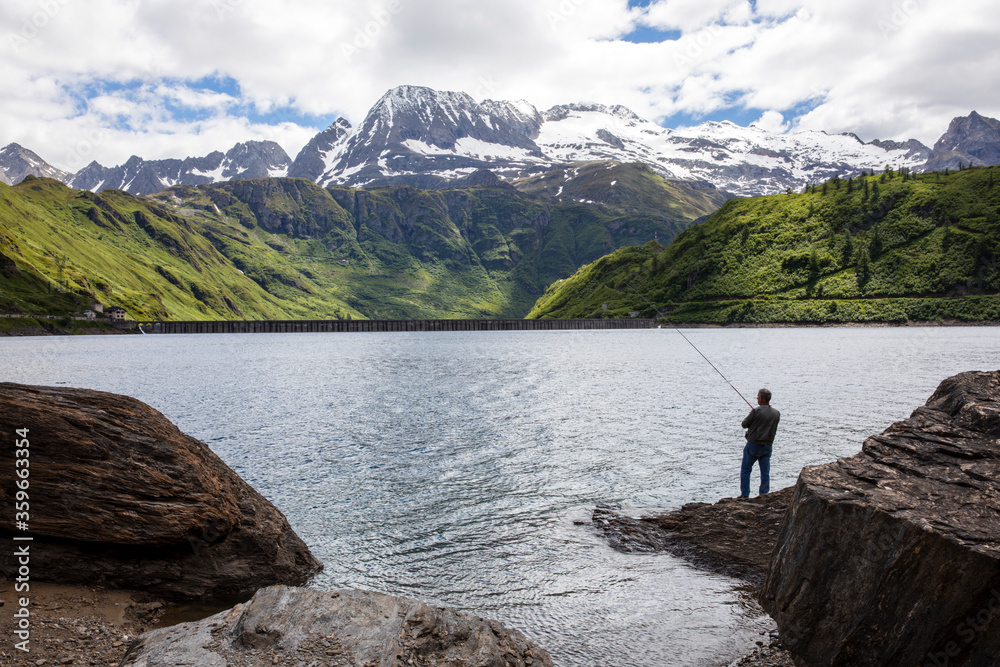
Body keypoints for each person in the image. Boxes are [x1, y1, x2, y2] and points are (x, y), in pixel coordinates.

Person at [740, 388, 780, 498]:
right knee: (765, 472)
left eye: (758, 397)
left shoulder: (756, 411)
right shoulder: (776, 413)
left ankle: (745, 495)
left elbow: (744, 424)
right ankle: (764, 494)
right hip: (767, 446)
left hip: (753, 446)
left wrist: (752, 415)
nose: (757, 399)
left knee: (746, 470)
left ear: (761, 398)